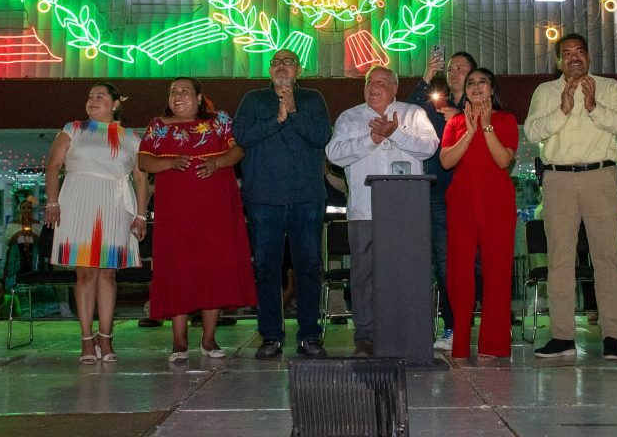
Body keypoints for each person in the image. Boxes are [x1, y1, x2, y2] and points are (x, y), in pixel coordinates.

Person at [525, 33, 617, 359]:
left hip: (601, 176)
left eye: (579, 52)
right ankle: (563, 337)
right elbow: (532, 132)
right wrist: (562, 110)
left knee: (606, 258)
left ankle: (612, 336)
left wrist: (593, 107)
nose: (574, 58)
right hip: (558, 179)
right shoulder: (545, 92)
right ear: (558, 61)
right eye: (567, 53)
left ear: (588, 57)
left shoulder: (610, 87)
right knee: (559, 260)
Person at [139, 78, 257, 361]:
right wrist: (169, 163)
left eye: (184, 91)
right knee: (178, 270)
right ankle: (179, 341)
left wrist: (217, 163)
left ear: (199, 97)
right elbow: (144, 161)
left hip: (215, 210)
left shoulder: (219, 121)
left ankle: (209, 339)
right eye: (172, 92)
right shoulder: (158, 125)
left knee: (212, 269)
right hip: (175, 214)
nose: (177, 95)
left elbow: (238, 149)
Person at [326, 65, 438, 356]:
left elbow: (429, 147)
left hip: (406, 213)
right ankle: (365, 336)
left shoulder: (413, 114)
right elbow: (334, 154)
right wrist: (372, 139)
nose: (373, 86)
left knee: (406, 274)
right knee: (364, 277)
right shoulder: (350, 117)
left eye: (381, 82)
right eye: (369, 82)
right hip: (364, 210)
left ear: (395, 88)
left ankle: (406, 332)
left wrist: (395, 133)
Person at [234, 49, 332, 360]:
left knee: (309, 267)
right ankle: (271, 335)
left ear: (299, 70)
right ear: (269, 70)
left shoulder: (314, 98)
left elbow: (321, 136)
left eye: (287, 61)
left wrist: (294, 112)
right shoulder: (252, 99)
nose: (281, 66)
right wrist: (277, 118)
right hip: (264, 198)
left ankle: (309, 335)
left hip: (306, 198)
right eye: (276, 62)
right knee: (266, 268)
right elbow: (241, 136)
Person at [45, 82, 149, 364]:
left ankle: (106, 337)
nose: (92, 100)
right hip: (79, 200)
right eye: (90, 97)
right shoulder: (74, 129)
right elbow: (53, 166)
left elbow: (141, 178)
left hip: (115, 204)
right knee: (85, 273)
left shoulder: (130, 137)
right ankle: (87, 340)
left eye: (100, 97)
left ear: (115, 104)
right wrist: (52, 202)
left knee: (108, 273)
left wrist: (141, 215)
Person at [439, 68, 518, 358]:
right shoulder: (456, 122)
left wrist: (486, 126)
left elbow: (503, 160)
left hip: (497, 201)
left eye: (482, 82)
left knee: (497, 271)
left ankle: (494, 344)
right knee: (459, 272)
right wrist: (469, 133)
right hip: (462, 201)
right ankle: (459, 342)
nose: (475, 87)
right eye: (470, 83)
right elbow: (446, 161)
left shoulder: (506, 119)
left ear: (492, 89)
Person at [407, 49, 477, 351]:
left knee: (476, 262)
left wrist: (462, 118)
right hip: (439, 192)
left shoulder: (481, 103)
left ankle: (486, 320)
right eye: (450, 68)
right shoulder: (437, 103)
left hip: (474, 192)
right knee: (445, 262)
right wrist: (427, 75)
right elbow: (408, 110)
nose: (454, 72)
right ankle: (452, 326)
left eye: (461, 68)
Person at [1, 196, 42, 291]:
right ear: (20, 210)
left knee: (32, 277)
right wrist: (19, 234)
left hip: (33, 255)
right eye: (23, 208)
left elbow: (40, 242)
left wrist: (32, 234)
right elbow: (8, 241)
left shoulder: (37, 224)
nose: (26, 210)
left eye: (28, 208)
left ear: (32, 210)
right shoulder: (13, 224)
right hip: (16, 255)